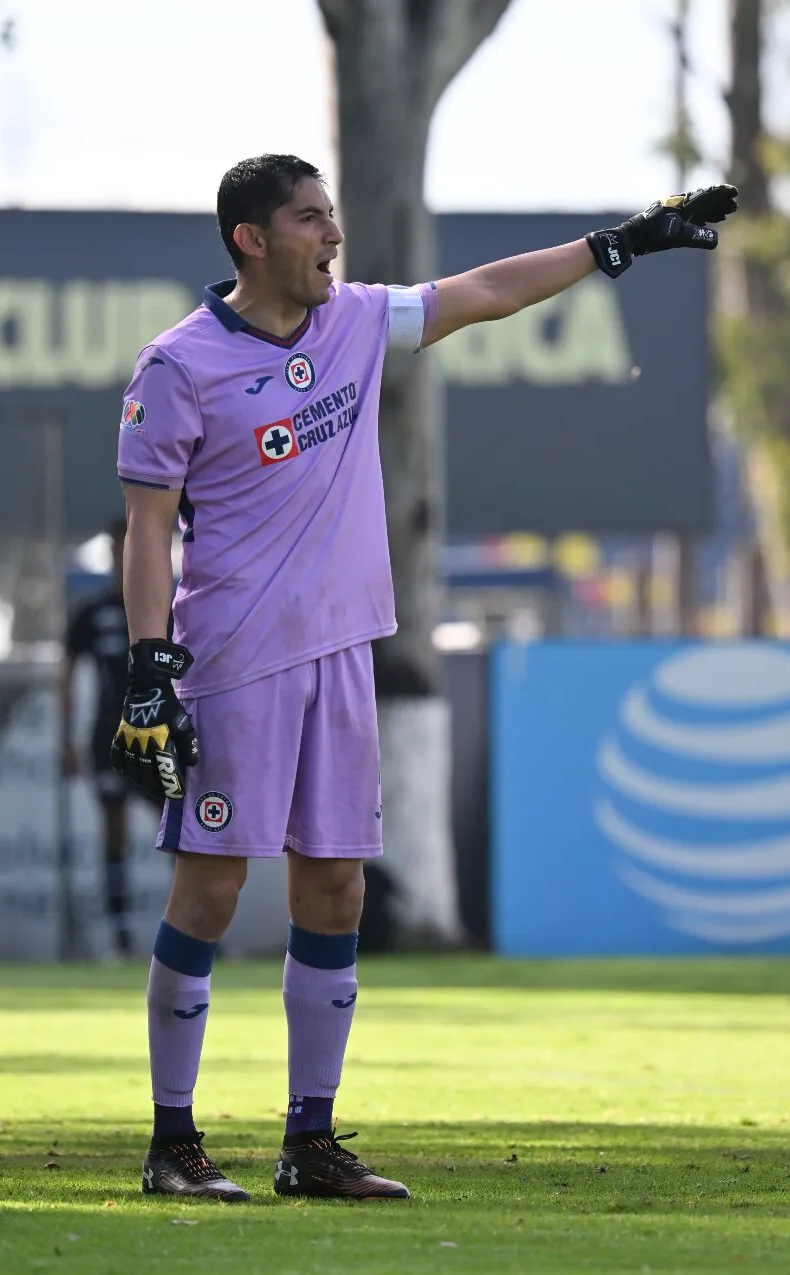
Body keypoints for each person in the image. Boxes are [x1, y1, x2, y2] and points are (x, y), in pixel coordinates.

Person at [111, 155, 737, 1202]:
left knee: (337, 885)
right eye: (310, 220)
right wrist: (147, 666)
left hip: (345, 654)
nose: (332, 236)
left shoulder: (354, 321)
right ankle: (172, 1144)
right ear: (250, 239)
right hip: (234, 665)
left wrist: (617, 244)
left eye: (333, 216)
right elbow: (145, 530)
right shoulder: (178, 366)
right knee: (212, 889)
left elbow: (481, 293)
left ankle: (309, 1144)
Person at [62, 518, 160, 959]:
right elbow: (66, 677)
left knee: (181, 831)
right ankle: (120, 936)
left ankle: (200, 932)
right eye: (118, 546)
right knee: (114, 832)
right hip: (108, 738)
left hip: (158, 739)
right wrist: (68, 739)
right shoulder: (91, 613)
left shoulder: (165, 605)